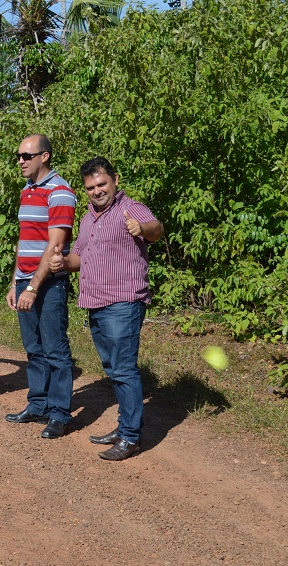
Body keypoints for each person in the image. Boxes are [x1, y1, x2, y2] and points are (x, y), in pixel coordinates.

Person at [51, 156, 165, 460]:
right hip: (95, 302)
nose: (97, 191)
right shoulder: (88, 219)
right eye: (90, 187)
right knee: (114, 368)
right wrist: (62, 262)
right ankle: (125, 426)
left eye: (102, 184)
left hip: (124, 301)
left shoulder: (131, 208)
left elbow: (157, 229)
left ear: (115, 180)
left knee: (124, 369)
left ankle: (130, 437)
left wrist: (141, 228)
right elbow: (79, 258)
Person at [4, 134, 76, 439]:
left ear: (44, 156)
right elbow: (24, 240)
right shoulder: (27, 190)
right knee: (33, 349)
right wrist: (16, 282)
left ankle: (59, 413)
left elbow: (56, 245)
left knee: (55, 350)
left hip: (49, 284)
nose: (20, 161)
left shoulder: (60, 191)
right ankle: (37, 404)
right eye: (18, 156)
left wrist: (33, 288)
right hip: (25, 280)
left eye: (26, 156)